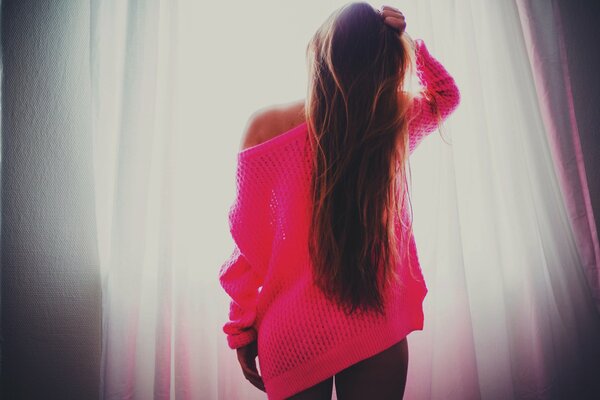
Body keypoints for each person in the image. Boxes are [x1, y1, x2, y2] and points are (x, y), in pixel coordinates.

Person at [218, 2, 460, 399]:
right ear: (383, 61)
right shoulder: (388, 121)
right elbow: (446, 95)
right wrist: (408, 45)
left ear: (319, 54)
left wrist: (241, 328)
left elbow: (248, 242)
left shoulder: (265, 126)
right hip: (372, 317)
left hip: (291, 333)